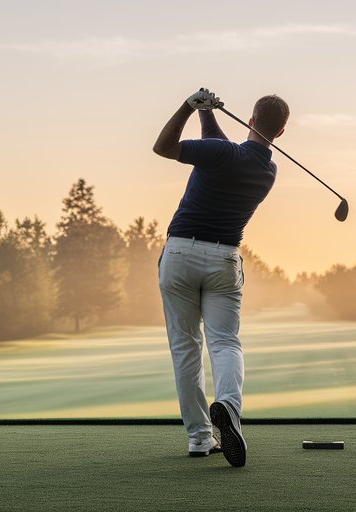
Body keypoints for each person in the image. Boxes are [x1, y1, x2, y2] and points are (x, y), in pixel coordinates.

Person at [151, 89, 289, 468]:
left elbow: (163, 147)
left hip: (181, 254)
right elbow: (221, 146)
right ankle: (227, 407)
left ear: (249, 119)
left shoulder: (223, 154)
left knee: (186, 347)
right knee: (225, 342)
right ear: (282, 131)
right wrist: (207, 114)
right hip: (225, 259)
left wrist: (187, 106)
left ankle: (199, 438)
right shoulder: (267, 171)